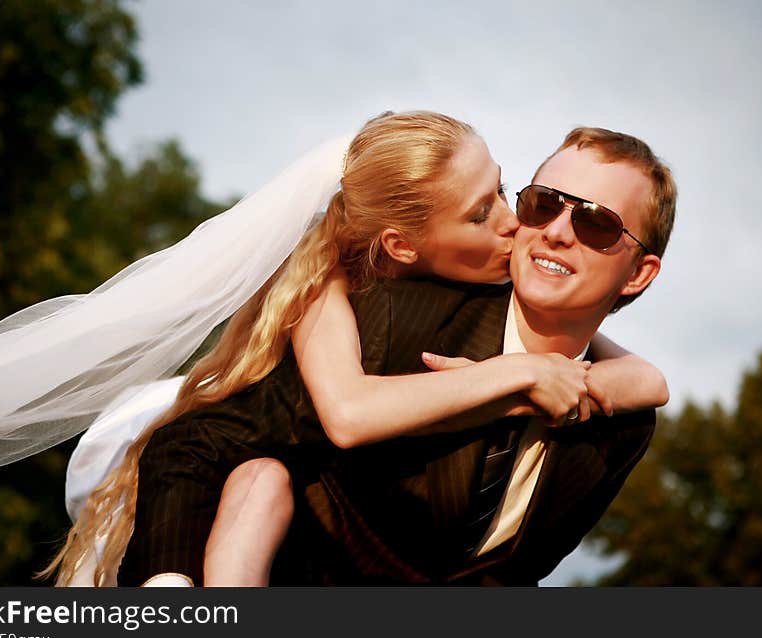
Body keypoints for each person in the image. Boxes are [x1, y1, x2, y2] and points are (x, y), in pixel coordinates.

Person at [50, 112, 671, 587]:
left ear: (639, 274)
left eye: (595, 223)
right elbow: (198, 442)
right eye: (542, 202)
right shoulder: (384, 316)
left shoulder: (624, 426)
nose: (549, 230)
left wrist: (613, 380)